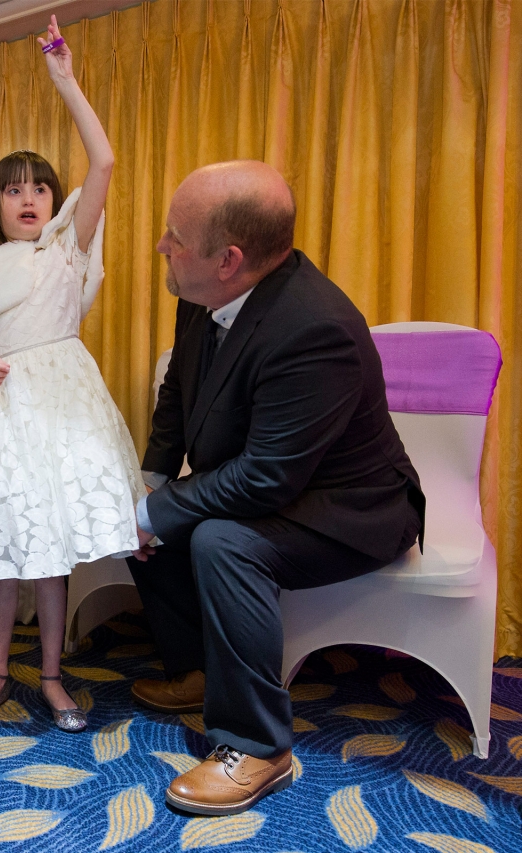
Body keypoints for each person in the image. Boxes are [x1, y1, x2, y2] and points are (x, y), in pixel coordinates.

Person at [128, 160, 425, 816]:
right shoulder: (198, 291)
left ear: (229, 259)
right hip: (279, 479)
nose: (161, 246)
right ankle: (199, 670)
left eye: (174, 235)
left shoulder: (313, 326)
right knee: (144, 512)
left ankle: (259, 744)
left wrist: (156, 510)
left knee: (219, 540)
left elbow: (267, 476)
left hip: (353, 504)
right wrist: (148, 485)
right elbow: (179, 392)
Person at [0, 16, 143, 734]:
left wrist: (65, 80)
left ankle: (51, 676)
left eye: (39, 189)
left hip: (60, 409)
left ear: (55, 202)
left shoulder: (68, 249)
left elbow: (107, 162)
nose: (28, 199)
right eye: (13, 191)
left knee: (51, 553)